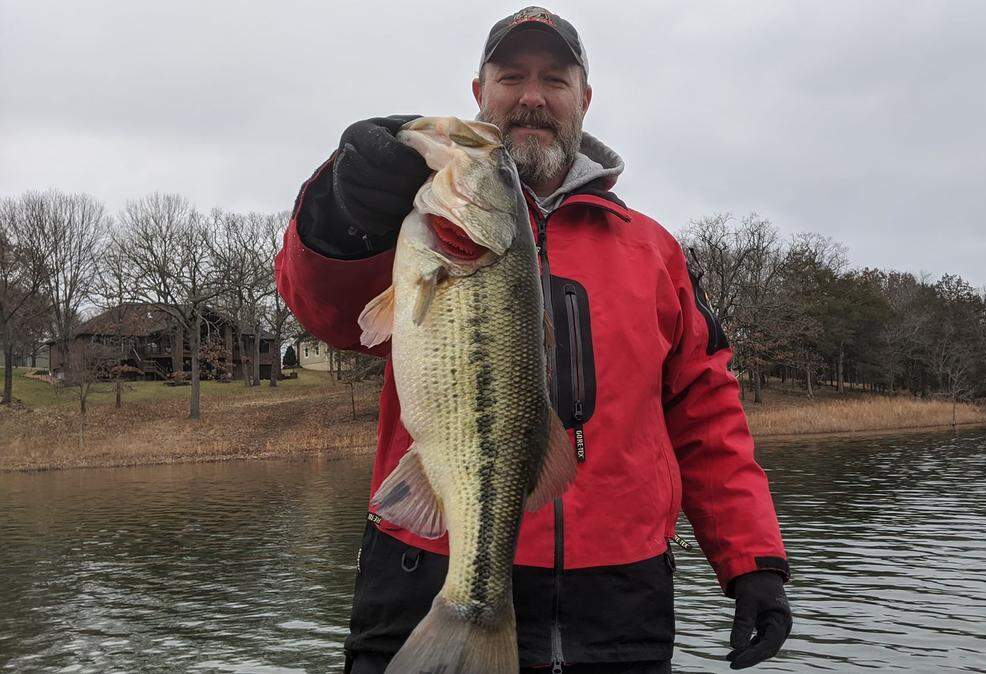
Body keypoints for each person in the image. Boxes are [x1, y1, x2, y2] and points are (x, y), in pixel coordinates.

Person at [275, 7, 792, 673]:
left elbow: (707, 412)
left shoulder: (655, 252)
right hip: (422, 570)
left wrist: (752, 564)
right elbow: (325, 310)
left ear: (585, 99)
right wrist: (340, 211)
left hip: (621, 601)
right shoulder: (411, 225)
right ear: (478, 94)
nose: (530, 97)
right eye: (510, 76)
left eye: (554, 78)